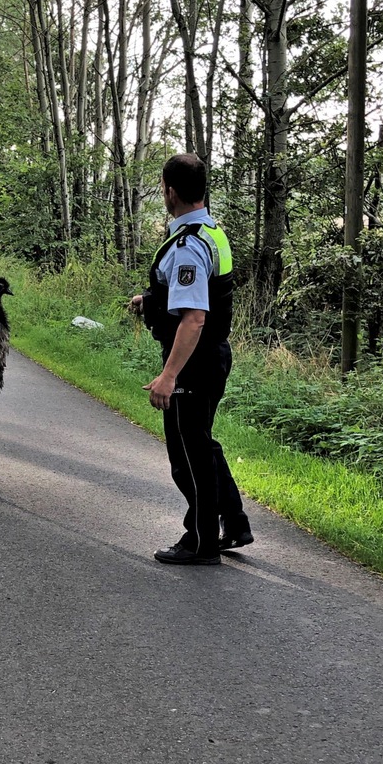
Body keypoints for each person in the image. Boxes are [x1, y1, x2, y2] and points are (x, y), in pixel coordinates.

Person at [131, 153, 253, 565]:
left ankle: (199, 542)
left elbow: (195, 317)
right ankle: (234, 523)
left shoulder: (187, 246)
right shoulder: (211, 232)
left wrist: (169, 375)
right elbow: (202, 296)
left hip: (193, 361)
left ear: (169, 190)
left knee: (187, 457)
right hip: (214, 355)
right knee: (202, 443)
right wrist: (149, 301)